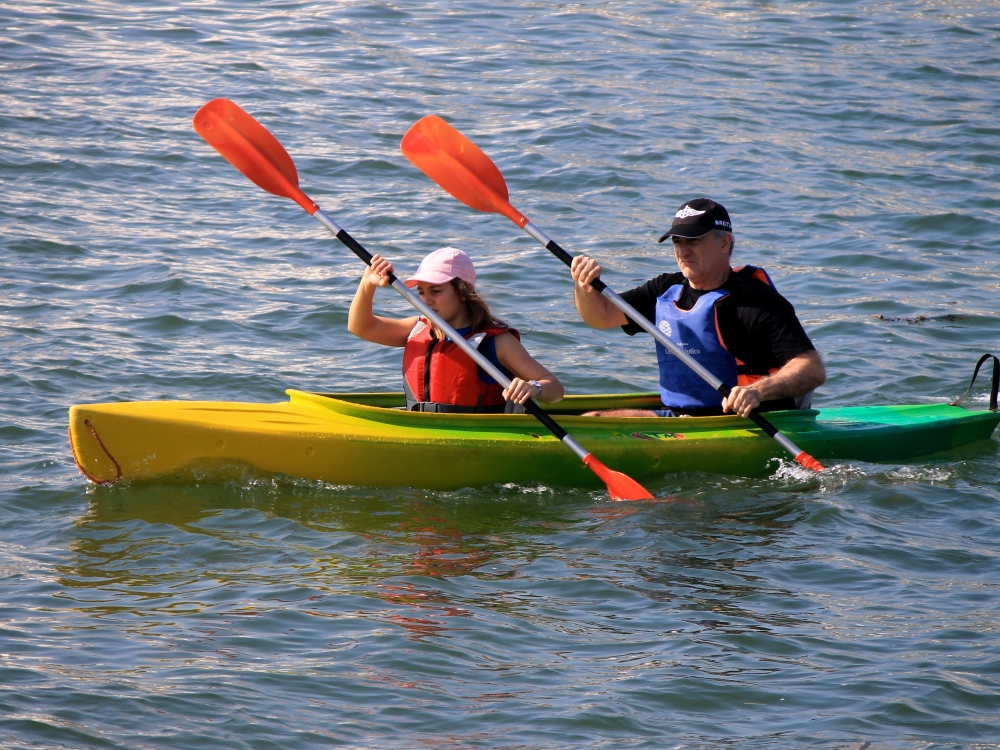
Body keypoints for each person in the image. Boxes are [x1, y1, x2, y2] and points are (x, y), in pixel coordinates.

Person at [569, 198, 825, 418]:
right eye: (677, 242)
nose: (683, 250)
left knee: (596, 418)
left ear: (724, 243)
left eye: (693, 240)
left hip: (746, 419)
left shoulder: (757, 303)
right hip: (682, 416)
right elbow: (600, 317)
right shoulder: (665, 289)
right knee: (594, 417)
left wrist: (757, 391)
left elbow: (811, 369)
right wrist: (583, 286)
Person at [348, 246, 564, 413]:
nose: (427, 300)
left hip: (475, 437)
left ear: (463, 291)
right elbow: (360, 327)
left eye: (436, 291)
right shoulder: (416, 328)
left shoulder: (497, 342)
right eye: (422, 292)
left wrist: (534, 387)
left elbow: (555, 390)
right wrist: (367, 284)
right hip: (422, 427)